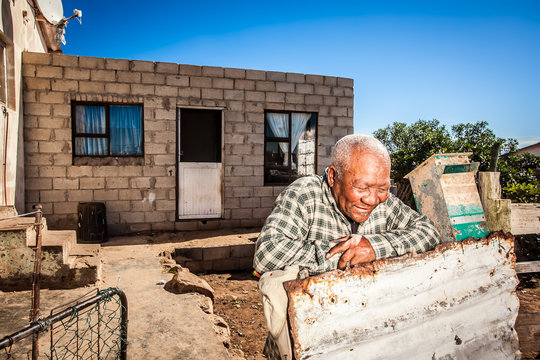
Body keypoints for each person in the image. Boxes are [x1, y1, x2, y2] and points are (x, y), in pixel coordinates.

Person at [253, 134, 441, 360]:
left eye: (383, 188)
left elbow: (429, 231)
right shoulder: (304, 194)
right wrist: (344, 254)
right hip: (306, 335)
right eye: (362, 187)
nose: (372, 199)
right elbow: (267, 253)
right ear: (333, 176)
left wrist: (374, 246)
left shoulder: (385, 202)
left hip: (361, 333)